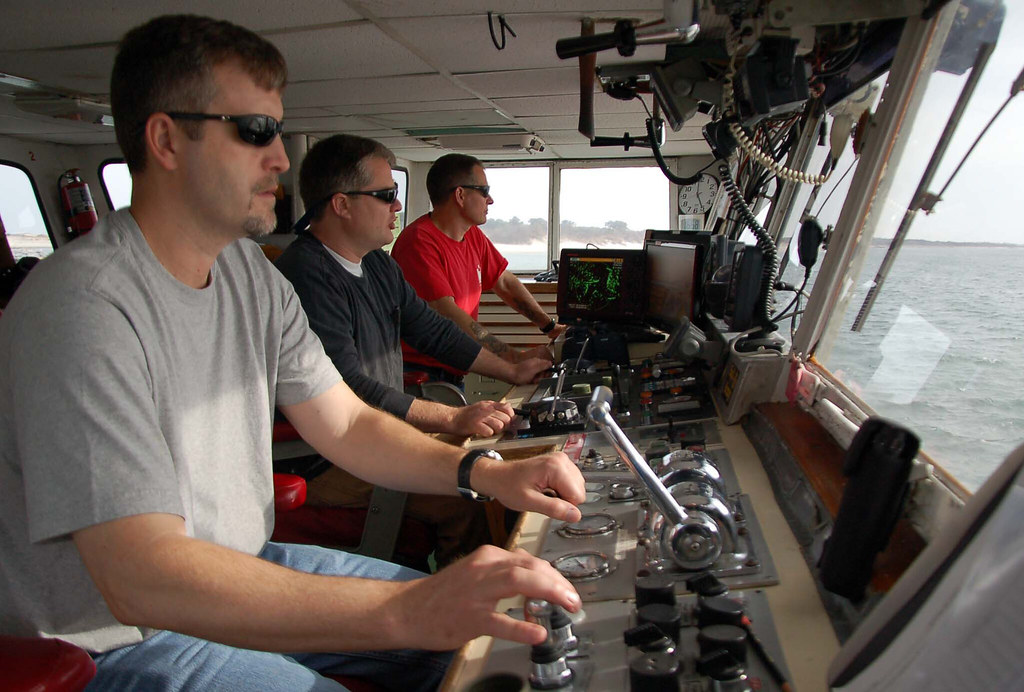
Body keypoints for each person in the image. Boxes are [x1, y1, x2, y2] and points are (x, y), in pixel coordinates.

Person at [0, 15, 584, 692]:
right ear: (165, 139)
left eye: (277, 132)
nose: (279, 159)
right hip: (114, 636)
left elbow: (347, 423)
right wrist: (408, 608)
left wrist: (481, 470)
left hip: (242, 560)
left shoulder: (248, 274)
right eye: (253, 132)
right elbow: (142, 579)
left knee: (493, 639)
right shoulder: (84, 307)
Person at [275, 133, 552, 566]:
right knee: (471, 496)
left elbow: (433, 331)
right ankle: (456, 620)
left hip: (376, 433)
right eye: (386, 195)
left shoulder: (378, 263)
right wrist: (454, 416)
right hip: (325, 457)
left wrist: (512, 371)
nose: (398, 207)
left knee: (495, 452)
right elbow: (351, 389)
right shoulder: (305, 276)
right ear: (341, 204)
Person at [391, 154, 566, 385]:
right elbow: (451, 317)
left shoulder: (472, 235)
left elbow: (504, 282)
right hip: (422, 377)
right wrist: (512, 358)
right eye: (484, 191)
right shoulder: (418, 242)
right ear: (460, 195)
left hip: (453, 369)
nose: (490, 200)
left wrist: (549, 326)